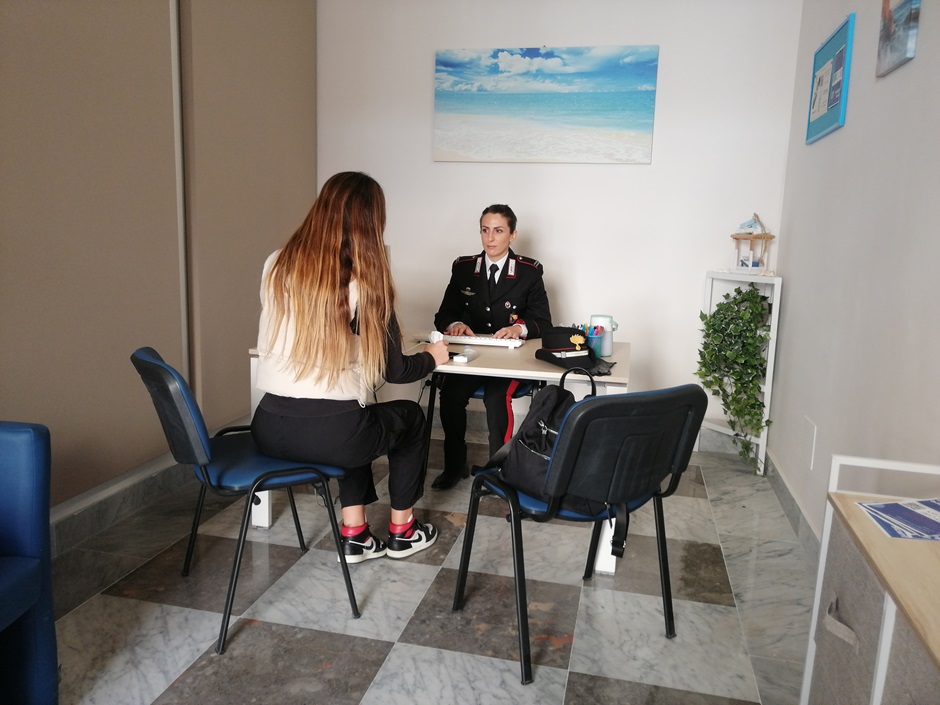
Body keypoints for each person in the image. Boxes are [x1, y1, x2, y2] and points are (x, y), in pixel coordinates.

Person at [251, 171, 450, 563]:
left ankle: (356, 535)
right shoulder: (368, 283)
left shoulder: (275, 263)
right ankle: (403, 531)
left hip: (269, 427)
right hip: (333, 436)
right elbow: (397, 371)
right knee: (406, 418)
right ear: (371, 223)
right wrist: (433, 356)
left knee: (357, 418)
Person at [431, 204, 552, 489]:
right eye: (485, 230)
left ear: (513, 235)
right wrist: (455, 324)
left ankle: (500, 471)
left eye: (498, 231)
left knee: (496, 399)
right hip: (471, 357)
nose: (490, 237)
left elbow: (543, 322)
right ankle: (454, 466)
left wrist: (518, 328)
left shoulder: (529, 272)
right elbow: (443, 315)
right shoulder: (464, 268)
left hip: (509, 361)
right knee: (450, 395)